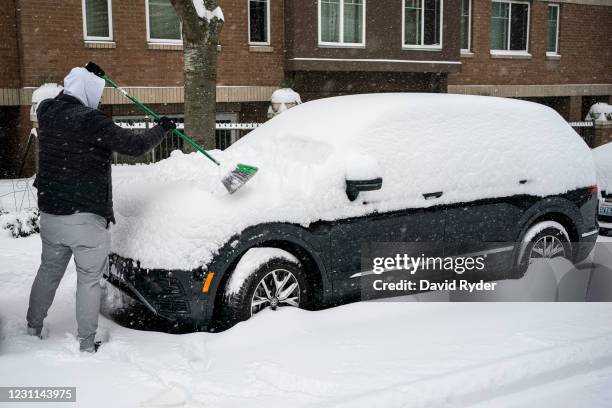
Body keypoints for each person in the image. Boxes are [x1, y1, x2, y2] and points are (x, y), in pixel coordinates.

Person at [26, 65, 176, 352]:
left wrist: (87, 72)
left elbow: (61, 97)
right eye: (97, 94)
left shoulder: (47, 112)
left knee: (48, 271)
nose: (99, 101)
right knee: (88, 281)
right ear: (88, 94)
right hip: (85, 216)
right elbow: (134, 145)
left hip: (51, 214)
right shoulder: (92, 121)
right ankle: (85, 343)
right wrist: (162, 128)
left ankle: (32, 327)